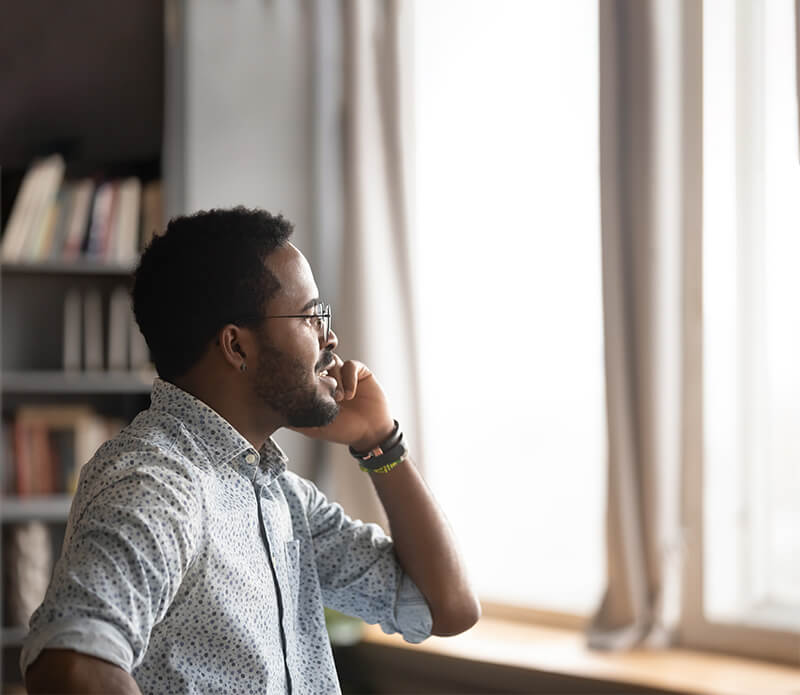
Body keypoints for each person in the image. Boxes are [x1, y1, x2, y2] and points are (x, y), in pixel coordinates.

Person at [21, 207, 480, 694]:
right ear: (237, 347)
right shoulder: (158, 480)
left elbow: (444, 607)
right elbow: (70, 665)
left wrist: (380, 442)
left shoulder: (278, 493)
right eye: (309, 316)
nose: (331, 338)